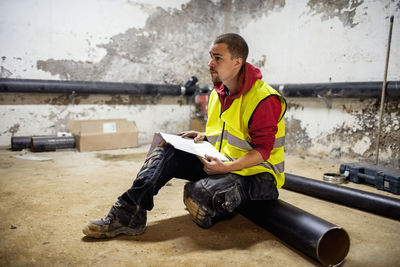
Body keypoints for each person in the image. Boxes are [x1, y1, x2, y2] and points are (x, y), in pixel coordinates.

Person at [82, 33, 286, 238]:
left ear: (237, 62)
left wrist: (226, 167)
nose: (210, 63)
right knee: (167, 147)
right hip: (224, 164)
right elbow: (231, 132)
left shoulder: (264, 99)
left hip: (257, 175)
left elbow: (263, 151)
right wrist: (205, 135)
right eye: (211, 56)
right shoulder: (218, 93)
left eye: (218, 58)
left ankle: (216, 195)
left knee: (200, 195)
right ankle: (128, 214)